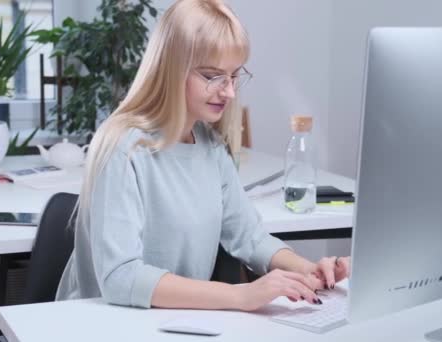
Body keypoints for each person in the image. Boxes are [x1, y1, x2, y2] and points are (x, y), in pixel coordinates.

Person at [56, 0, 350, 311]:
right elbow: (121, 278)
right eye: (213, 76)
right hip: (101, 322)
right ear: (171, 69)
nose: (230, 92)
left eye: (234, 76)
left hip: (172, 321)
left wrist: (306, 270)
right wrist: (240, 295)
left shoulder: (209, 145)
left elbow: (251, 237)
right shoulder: (123, 146)